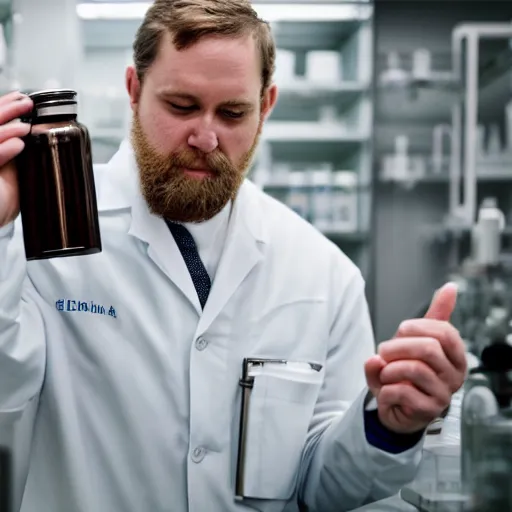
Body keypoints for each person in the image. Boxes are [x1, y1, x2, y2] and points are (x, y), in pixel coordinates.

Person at [0, 1, 467, 511]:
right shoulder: (39, 234)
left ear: (265, 105)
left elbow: (326, 488)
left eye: (232, 112)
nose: (205, 137)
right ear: (134, 91)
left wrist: (387, 428)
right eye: (181, 106)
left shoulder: (321, 273)